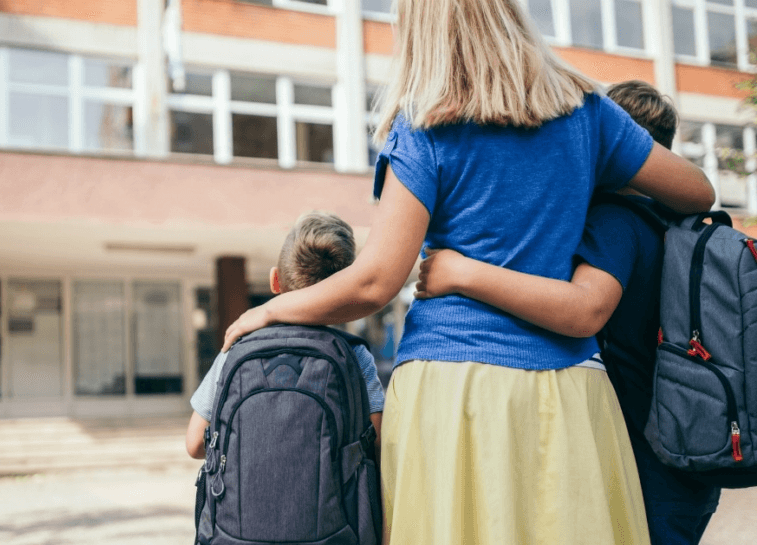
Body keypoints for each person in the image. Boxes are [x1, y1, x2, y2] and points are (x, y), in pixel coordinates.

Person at [220, 1, 715, 543]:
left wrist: (268, 310)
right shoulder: (588, 114)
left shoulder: (424, 127)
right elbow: (698, 192)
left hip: (453, 389)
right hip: (570, 391)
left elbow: (375, 282)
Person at [413, 79, 721, 545]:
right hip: (687, 455)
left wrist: (461, 273)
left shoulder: (618, 221)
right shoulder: (674, 228)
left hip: (647, 464)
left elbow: (585, 311)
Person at [186, 211, 385, 459]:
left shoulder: (238, 346)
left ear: (275, 281)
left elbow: (195, 443)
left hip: (248, 496)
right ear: (344, 292)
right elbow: (376, 443)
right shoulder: (355, 355)